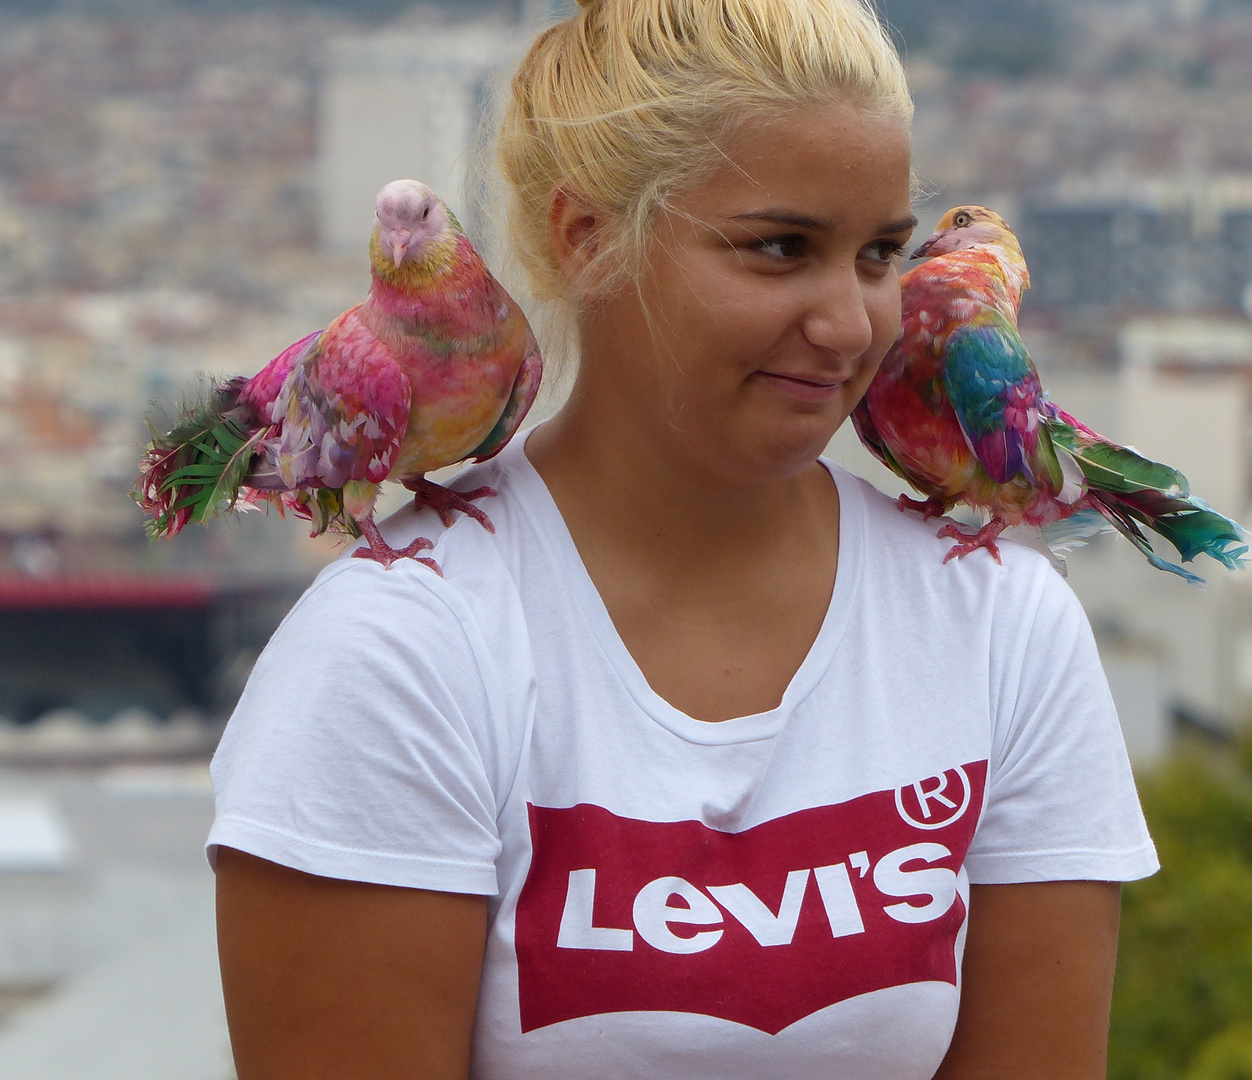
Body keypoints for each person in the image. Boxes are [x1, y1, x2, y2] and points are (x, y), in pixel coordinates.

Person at [208, 0, 1159, 1077]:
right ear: (588, 239)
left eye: (879, 254)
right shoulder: (398, 653)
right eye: (779, 249)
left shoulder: (997, 627)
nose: (850, 324)